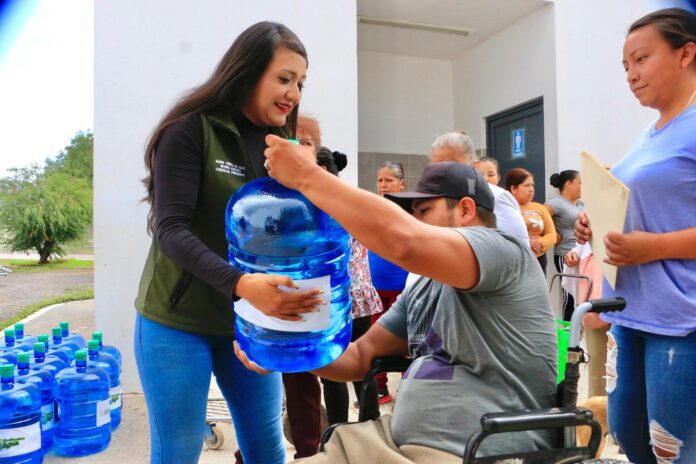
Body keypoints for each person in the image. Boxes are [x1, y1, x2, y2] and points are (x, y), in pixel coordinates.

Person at [238, 153, 557, 461]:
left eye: (424, 211)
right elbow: (359, 357)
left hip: (482, 448)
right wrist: (286, 349)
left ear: (465, 209)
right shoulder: (424, 289)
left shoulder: (505, 253)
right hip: (390, 443)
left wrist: (307, 176)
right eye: (411, 215)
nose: (414, 222)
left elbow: (405, 243)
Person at [133, 22, 323, 464]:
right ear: (247, 72)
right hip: (179, 319)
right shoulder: (190, 129)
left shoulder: (283, 147)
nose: (293, 93)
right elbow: (171, 229)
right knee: (178, 451)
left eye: (300, 83)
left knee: (267, 446)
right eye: (284, 78)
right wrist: (242, 284)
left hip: (251, 318)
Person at [575, 8, 696, 463]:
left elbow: (658, 230)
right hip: (632, 313)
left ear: (686, 53)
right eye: (626, 65)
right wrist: (599, 224)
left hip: (681, 319)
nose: (631, 74)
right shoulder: (650, 132)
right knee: (628, 434)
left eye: (642, 59)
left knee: (674, 450)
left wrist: (654, 247)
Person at [316, 147, 384, 425]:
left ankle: (338, 430)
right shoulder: (353, 201)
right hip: (360, 296)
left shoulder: (321, 207)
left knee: (333, 371)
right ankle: (371, 424)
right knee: (363, 365)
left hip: (336, 299)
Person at [430, 131, 530, 245]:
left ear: (474, 165)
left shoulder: (495, 196)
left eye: (451, 165)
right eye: (435, 167)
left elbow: (520, 247)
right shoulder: (431, 196)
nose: (442, 172)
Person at [368, 161, 409, 405]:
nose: (383, 185)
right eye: (380, 180)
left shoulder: (410, 210)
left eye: (389, 180)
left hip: (403, 288)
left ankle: (408, 387)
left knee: (407, 338)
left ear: (402, 184)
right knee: (376, 337)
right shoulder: (373, 207)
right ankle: (380, 387)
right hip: (377, 287)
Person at [545, 170, 584, 320]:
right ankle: (567, 330)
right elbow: (538, 216)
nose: (582, 186)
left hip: (581, 253)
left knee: (582, 295)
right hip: (565, 255)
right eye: (580, 183)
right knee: (570, 295)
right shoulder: (556, 203)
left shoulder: (581, 204)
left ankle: (578, 330)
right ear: (569, 184)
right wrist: (552, 234)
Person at [506, 168, 556, 274]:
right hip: (514, 259)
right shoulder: (505, 209)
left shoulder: (540, 208)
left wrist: (538, 244)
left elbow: (552, 235)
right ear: (513, 188)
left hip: (538, 258)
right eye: (526, 185)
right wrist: (526, 243)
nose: (531, 189)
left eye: (532, 185)